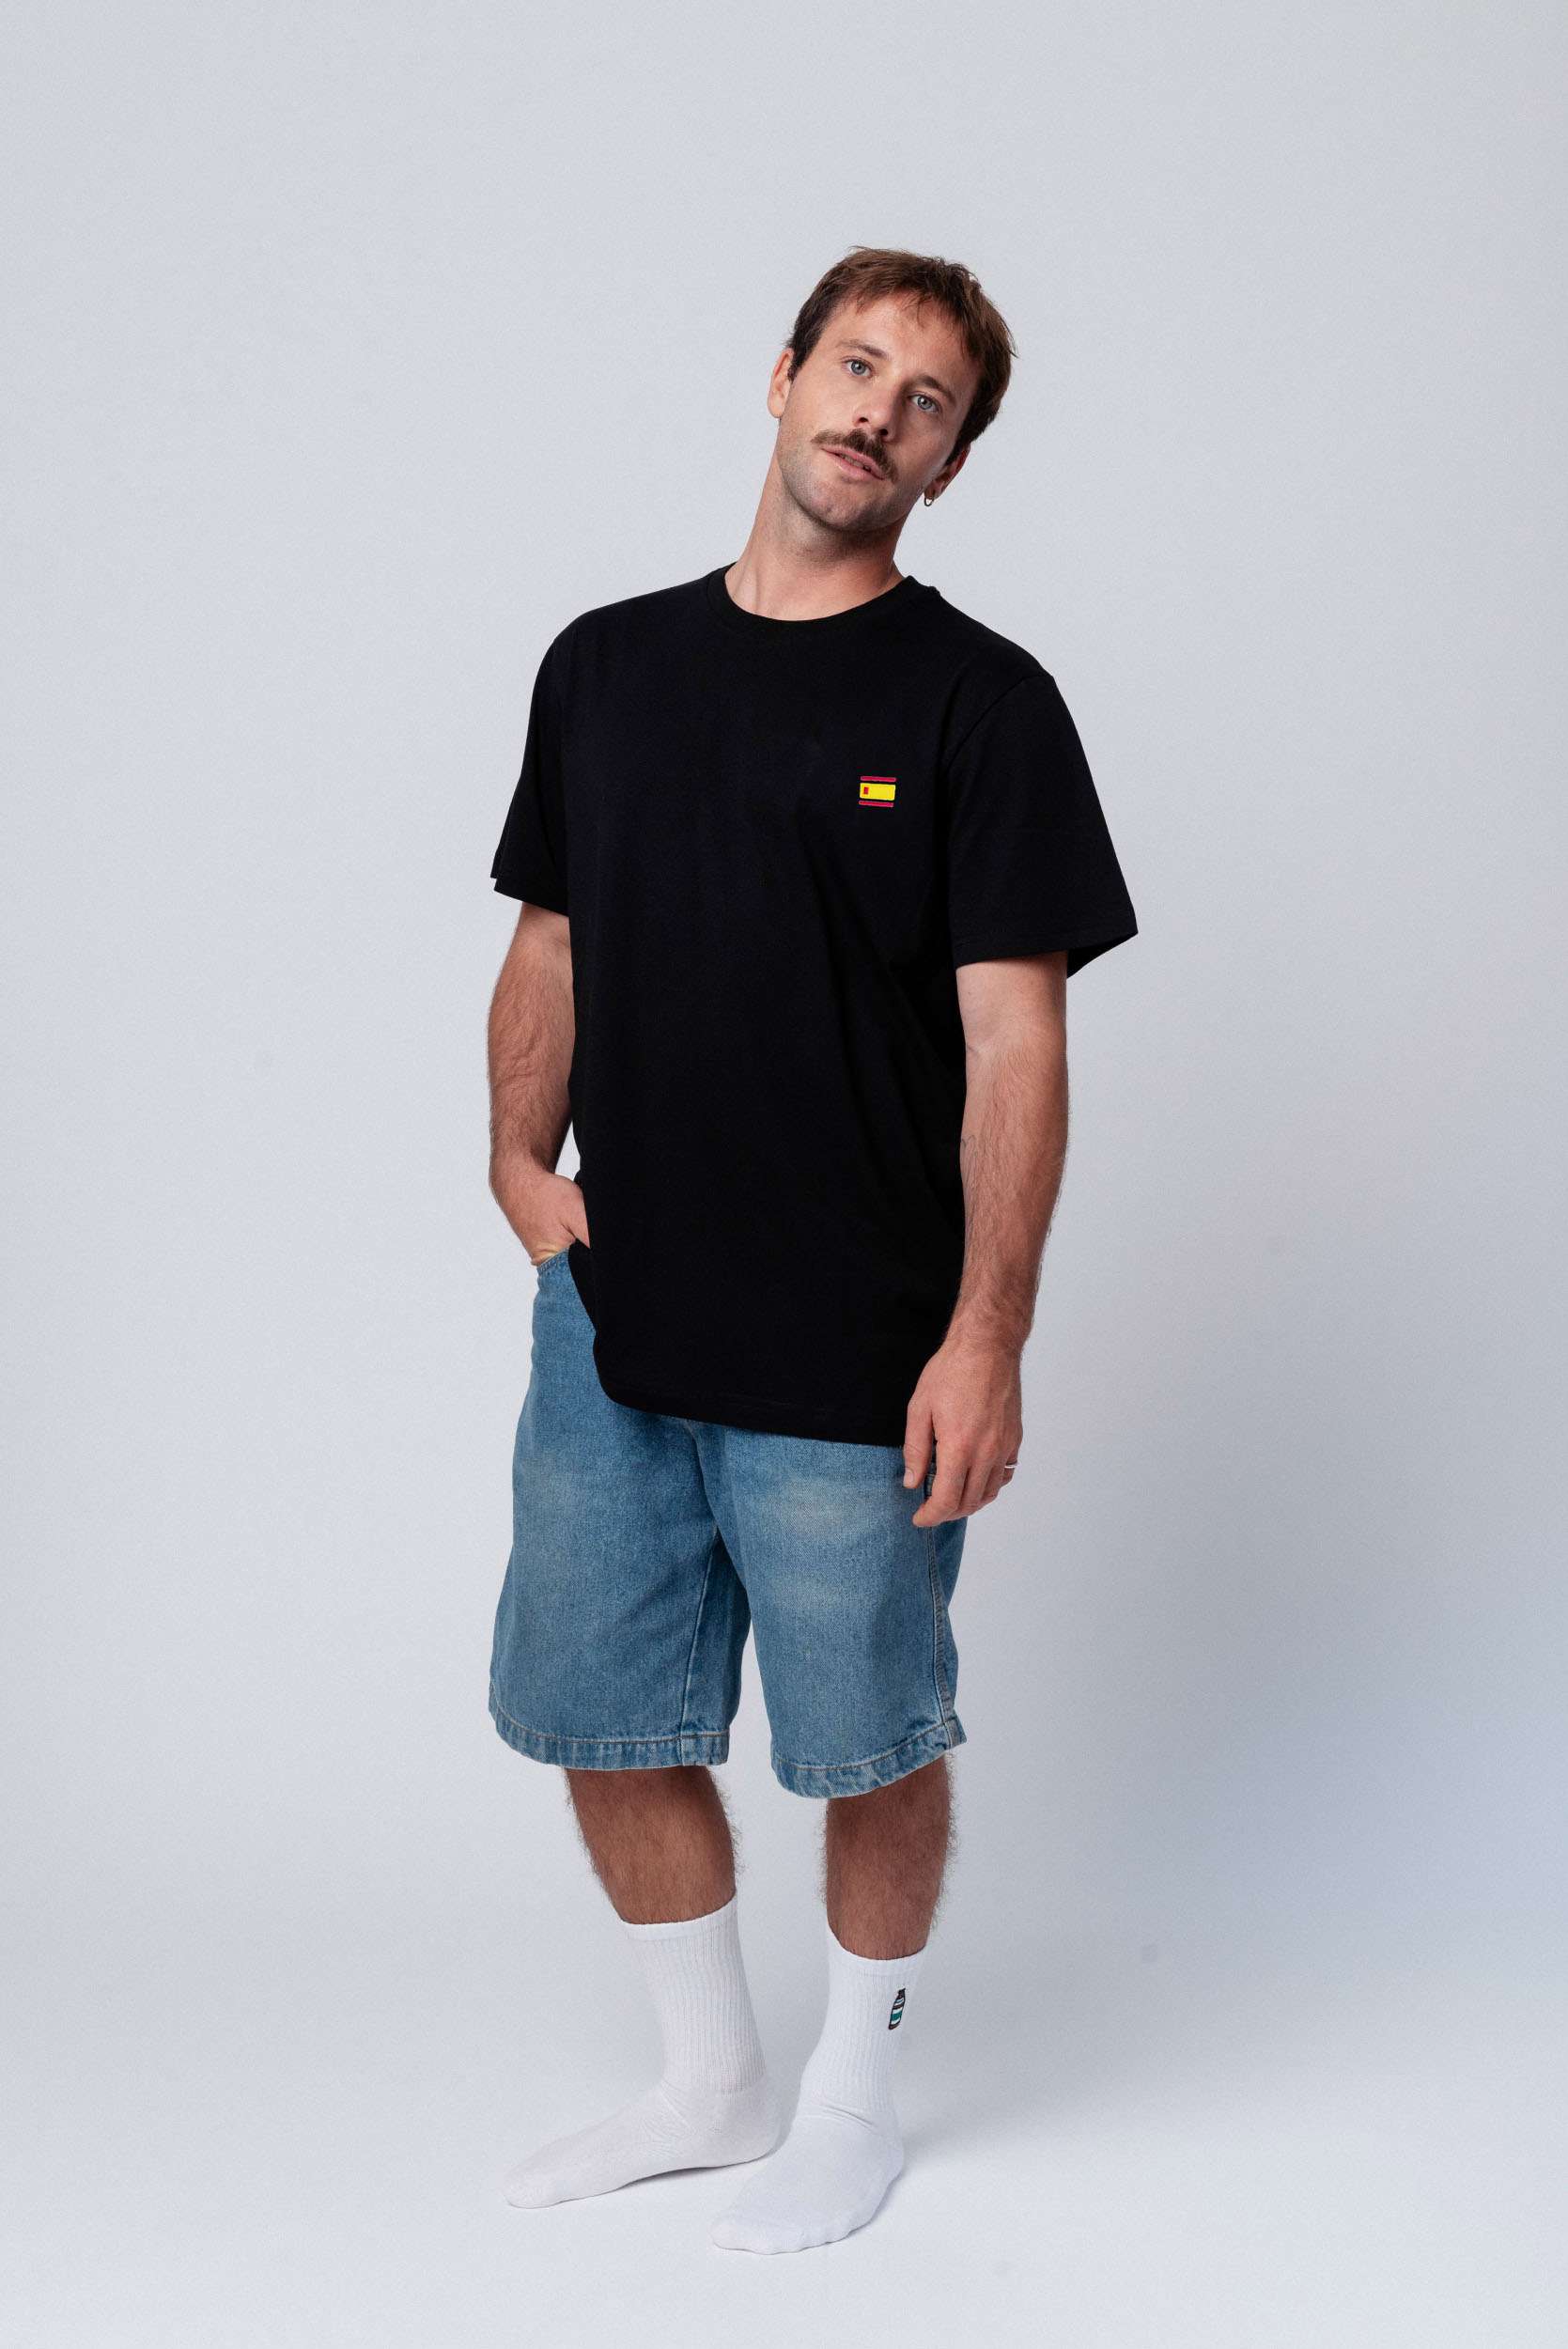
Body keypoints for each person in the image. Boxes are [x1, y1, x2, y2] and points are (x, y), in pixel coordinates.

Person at [483, 244, 1138, 2255]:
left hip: (861, 1343)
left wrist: (985, 1335)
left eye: (923, 399)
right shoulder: (604, 665)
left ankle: (850, 2102)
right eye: (854, 366)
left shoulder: (980, 704)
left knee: (867, 1740)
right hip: (617, 1322)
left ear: (949, 461)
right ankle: (710, 2082)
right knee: (599, 1712)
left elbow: (1018, 1041)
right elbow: (551, 937)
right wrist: (514, 1159)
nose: (876, 411)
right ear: (780, 379)